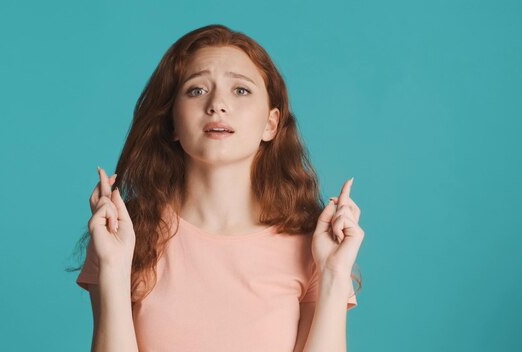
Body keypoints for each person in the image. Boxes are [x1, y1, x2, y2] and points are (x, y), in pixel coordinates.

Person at [72, 24, 365, 352]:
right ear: (172, 123)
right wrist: (113, 267)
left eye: (240, 90)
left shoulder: (312, 246)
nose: (217, 104)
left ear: (271, 123)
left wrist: (334, 275)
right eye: (196, 90)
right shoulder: (124, 234)